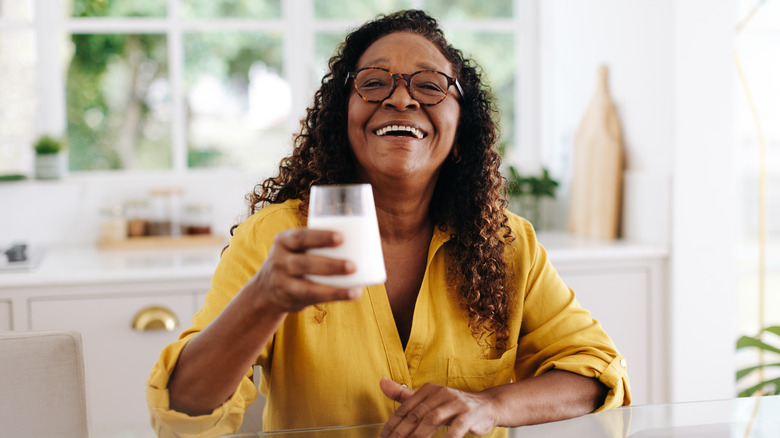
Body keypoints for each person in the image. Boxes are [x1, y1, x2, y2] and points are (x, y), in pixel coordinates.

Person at [146, 9, 631, 438]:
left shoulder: (507, 245)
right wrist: (264, 298)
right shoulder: (277, 237)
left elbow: (598, 374)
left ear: (461, 129)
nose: (401, 100)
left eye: (429, 85)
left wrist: (488, 405)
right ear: (343, 120)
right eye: (375, 83)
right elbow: (181, 414)